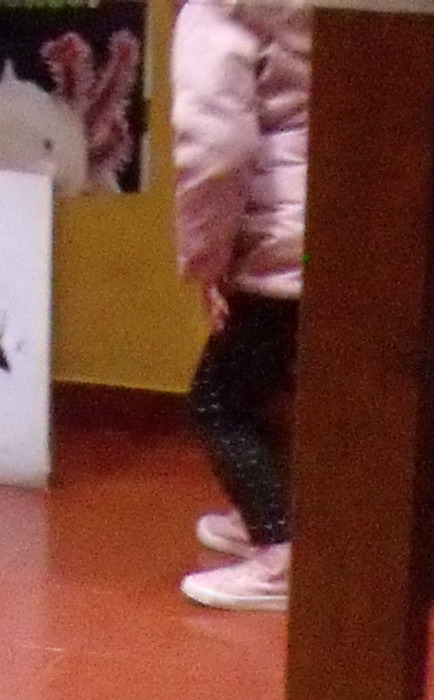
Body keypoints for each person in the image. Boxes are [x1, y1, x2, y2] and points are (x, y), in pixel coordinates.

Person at [171, 0, 311, 613]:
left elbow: (214, 147)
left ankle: (281, 549)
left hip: (279, 237)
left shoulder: (218, 7)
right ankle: (271, 510)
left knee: (218, 400)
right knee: (275, 382)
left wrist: (205, 262)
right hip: (345, 223)